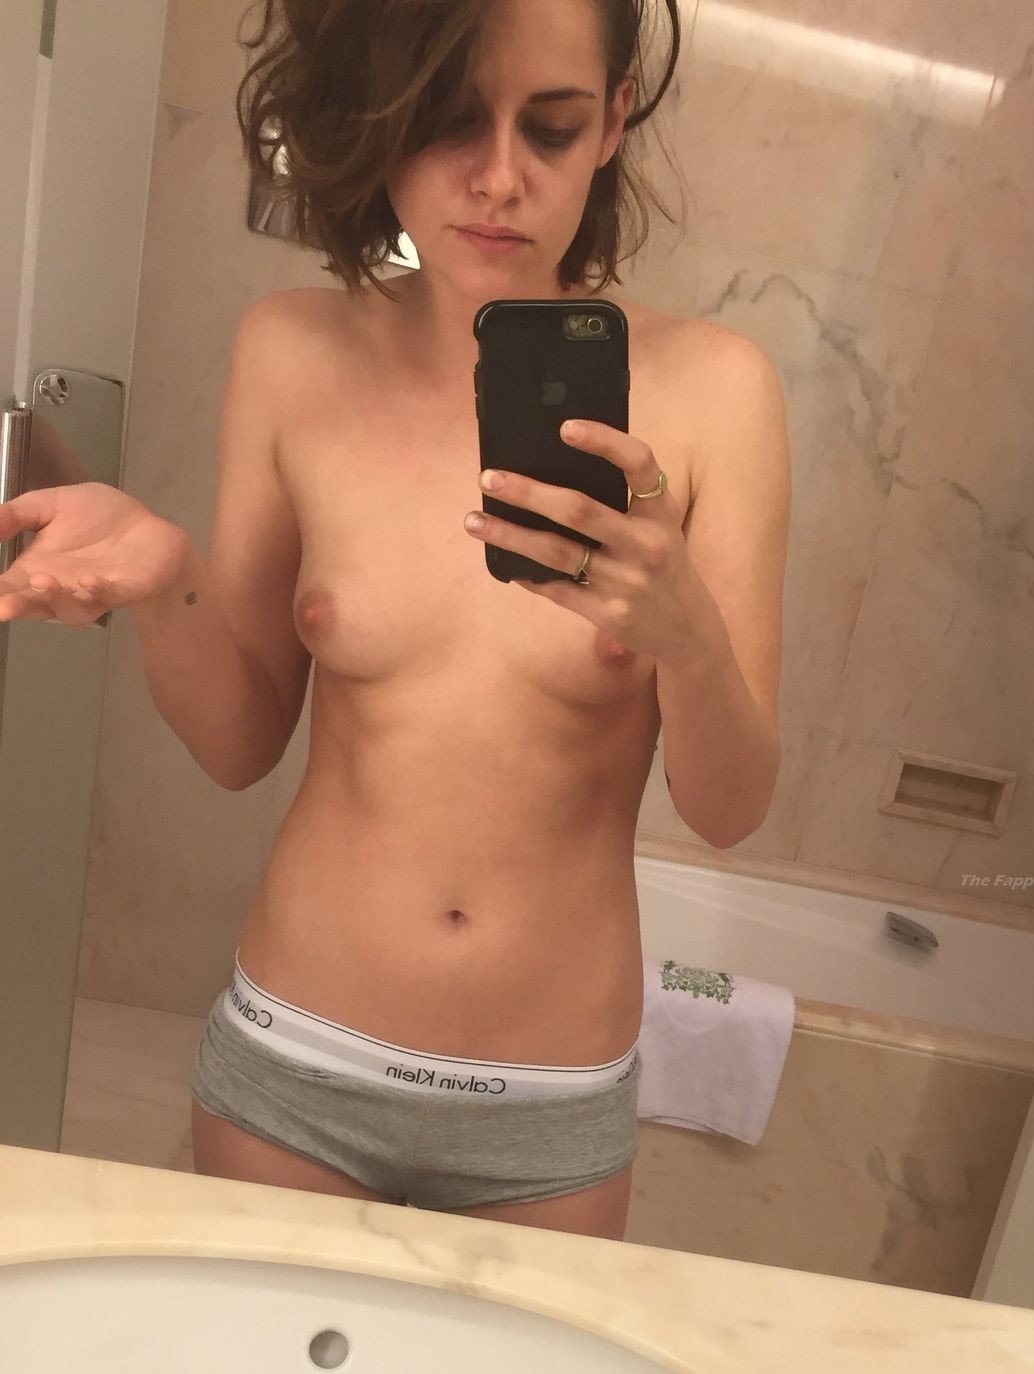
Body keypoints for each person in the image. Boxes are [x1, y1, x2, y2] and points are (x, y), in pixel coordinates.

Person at [0, 0, 789, 1242]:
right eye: (448, 120)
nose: (500, 178)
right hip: (296, 1064)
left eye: (551, 127)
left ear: (613, 122)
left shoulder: (717, 395)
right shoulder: (293, 352)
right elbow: (239, 743)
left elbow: (730, 806)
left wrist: (686, 639)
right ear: (378, 117)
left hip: (548, 1099)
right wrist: (168, 586)